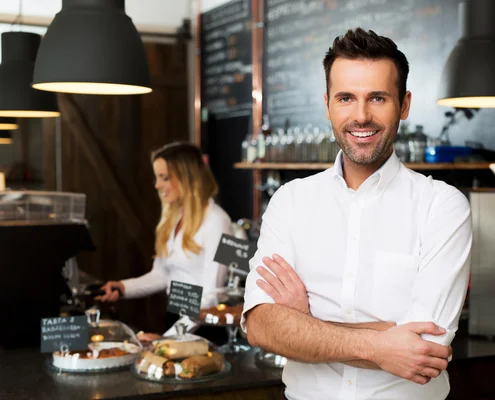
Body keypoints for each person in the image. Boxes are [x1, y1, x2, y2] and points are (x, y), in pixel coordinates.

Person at [242, 28, 472, 400]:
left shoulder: (442, 206)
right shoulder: (290, 201)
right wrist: (382, 344)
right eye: (346, 98)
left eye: (378, 98)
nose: (361, 116)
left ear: (405, 104)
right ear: (328, 104)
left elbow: (425, 348)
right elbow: (261, 327)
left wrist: (305, 324)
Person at [98, 141, 233, 341]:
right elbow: (161, 275)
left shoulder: (218, 221)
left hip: (204, 329)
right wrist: (123, 288)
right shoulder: (173, 216)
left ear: (188, 178)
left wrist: (166, 339)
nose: (157, 185)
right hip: (176, 319)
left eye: (164, 178)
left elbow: (211, 297)